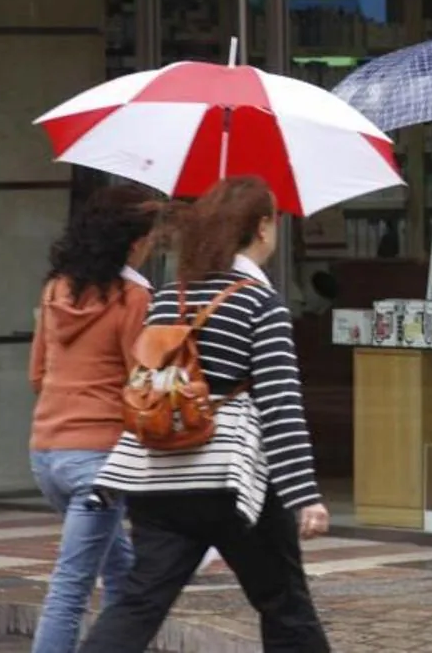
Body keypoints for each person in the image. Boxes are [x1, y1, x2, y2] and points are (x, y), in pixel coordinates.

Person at [79, 176, 331, 653]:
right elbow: (280, 405)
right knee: (285, 606)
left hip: (158, 481)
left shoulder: (167, 299)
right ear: (262, 228)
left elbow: (147, 383)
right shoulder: (261, 304)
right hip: (233, 486)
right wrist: (304, 494)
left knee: (137, 603)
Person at [28, 184, 160, 653]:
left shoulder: (55, 289)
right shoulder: (134, 299)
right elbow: (142, 382)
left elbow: (37, 373)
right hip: (100, 463)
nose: (151, 248)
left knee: (124, 577)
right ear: (133, 242)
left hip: (46, 455)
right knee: (70, 589)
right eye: (149, 239)